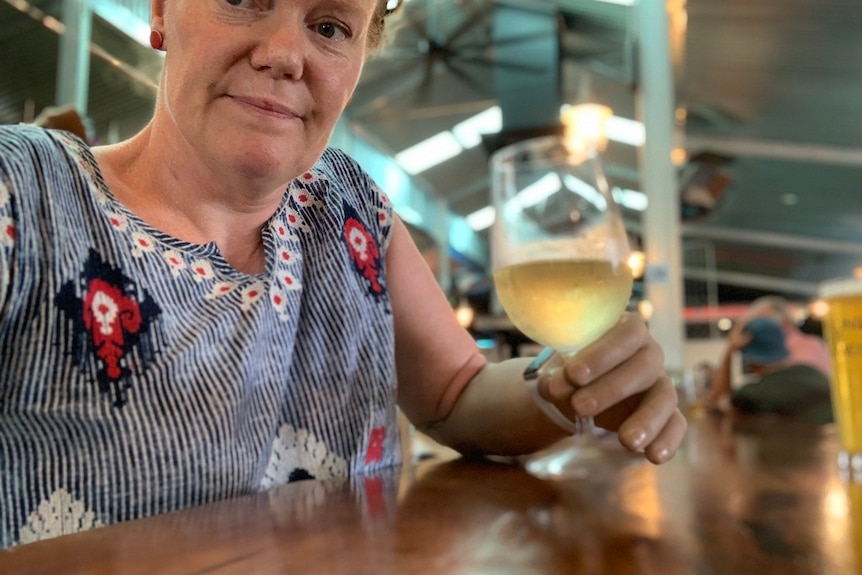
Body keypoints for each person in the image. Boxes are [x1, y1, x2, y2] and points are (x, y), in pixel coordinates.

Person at [0, 0, 687, 548]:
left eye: (329, 26)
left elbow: (456, 393)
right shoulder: (24, 193)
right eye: (243, 0)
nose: (282, 54)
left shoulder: (349, 205)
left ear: (358, 58)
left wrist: (563, 385)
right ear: (159, 11)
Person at [707, 317, 832, 424]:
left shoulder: (753, 394)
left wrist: (729, 350)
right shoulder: (811, 372)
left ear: (750, 360)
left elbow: (718, 401)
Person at [747, 295, 832, 377]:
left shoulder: (808, 347)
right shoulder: (771, 351)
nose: (758, 331)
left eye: (765, 325)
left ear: (786, 323)